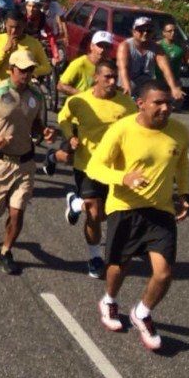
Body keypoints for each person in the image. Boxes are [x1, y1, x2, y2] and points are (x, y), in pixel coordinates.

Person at [86, 80, 189, 351]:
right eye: (158, 103)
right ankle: (109, 300)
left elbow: (181, 164)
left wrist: (185, 193)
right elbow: (94, 167)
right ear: (141, 103)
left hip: (161, 211)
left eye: (168, 103)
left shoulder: (179, 132)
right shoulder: (122, 130)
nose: (166, 108)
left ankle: (142, 312)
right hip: (126, 208)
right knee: (119, 266)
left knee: (164, 273)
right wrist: (124, 178)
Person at [0, 49, 56, 275]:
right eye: (22, 70)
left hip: (25, 163)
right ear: (12, 70)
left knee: (17, 213)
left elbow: (35, 124)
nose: (26, 74)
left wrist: (44, 131)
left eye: (30, 70)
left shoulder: (36, 96)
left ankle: (6, 252)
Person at [57, 61, 137, 278]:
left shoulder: (126, 104)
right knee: (94, 212)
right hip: (87, 165)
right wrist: (70, 137)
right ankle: (95, 256)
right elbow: (63, 118)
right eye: (108, 77)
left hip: (114, 168)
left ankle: (75, 203)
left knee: (103, 215)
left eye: (115, 77)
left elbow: (136, 130)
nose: (112, 82)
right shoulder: (79, 101)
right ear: (96, 78)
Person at [116, 16, 184, 102]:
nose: (145, 33)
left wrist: (174, 88)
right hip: (126, 88)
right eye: (141, 30)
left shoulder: (157, 48)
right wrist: (126, 85)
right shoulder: (125, 46)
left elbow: (166, 69)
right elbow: (123, 68)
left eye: (149, 31)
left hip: (145, 89)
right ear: (134, 31)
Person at [0, 11, 52, 83]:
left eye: (17, 27)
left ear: (24, 25)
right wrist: (4, 51)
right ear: (5, 24)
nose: (13, 31)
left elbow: (47, 68)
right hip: (2, 89)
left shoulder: (34, 43)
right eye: (11, 27)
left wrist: (27, 71)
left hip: (24, 89)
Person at [57, 30, 113, 99]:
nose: (102, 50)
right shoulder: (79, 64)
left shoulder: (109, 67)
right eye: (99, 46)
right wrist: (84, 95)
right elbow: (61, 85)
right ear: (92, 46)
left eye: (106, 47)